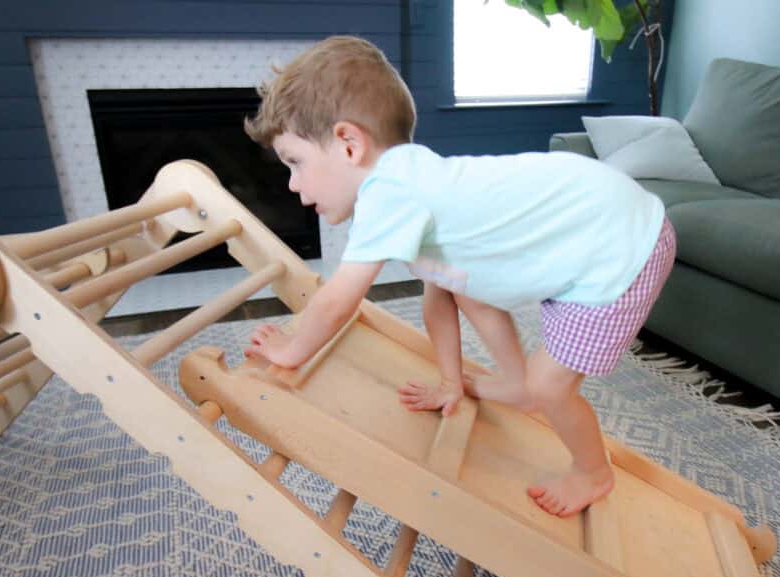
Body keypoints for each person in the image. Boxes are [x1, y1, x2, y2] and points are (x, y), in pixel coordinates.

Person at [242, 35, 675, 518]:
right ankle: (518, 383)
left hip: (619, 242)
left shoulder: (389, 193)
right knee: (466, 287)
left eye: (295, 162)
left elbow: (339, 299)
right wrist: (450, 381)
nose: (292, 183)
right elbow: (441, 298)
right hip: (599, 222)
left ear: (348, 143)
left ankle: (593, 471)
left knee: (552, 385)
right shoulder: (419, 185)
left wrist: (292, 348)